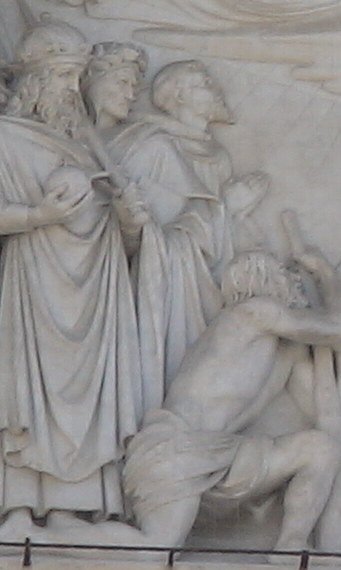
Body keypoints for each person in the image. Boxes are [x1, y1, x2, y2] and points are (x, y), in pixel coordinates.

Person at [30, 242, 341, 551]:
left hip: (221, 455)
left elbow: (331, 413)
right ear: (262, 277)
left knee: (319, 449)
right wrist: (324, 272)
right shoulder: (254, 312)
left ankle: (292, 547)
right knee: (155, 548)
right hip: (177, 448)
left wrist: (332, 357)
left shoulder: (285, 352)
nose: (295, 283)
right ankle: (38, 538)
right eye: (285, 274)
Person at [0, 20, 148, 529]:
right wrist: (37, 215)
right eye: (62, 76)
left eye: (75, 78)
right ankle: (20, 508)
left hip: (98, 293)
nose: (70, 89)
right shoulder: (2, 136)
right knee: (31, 392)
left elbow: (123, 242)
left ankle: (78, 509)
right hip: (36, 284)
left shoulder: (85, 148)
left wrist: (129, 219)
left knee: (91, 402)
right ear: (34, 80)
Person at [112, 60, 267, 409]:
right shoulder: (150, 145)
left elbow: (218, 232)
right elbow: (136, 229)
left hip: (205, 277)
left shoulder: (218, 156)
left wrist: (236, 215)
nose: (216, 91)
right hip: (167, 282)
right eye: (204, 84)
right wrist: (228, 205)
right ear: (178, 96)